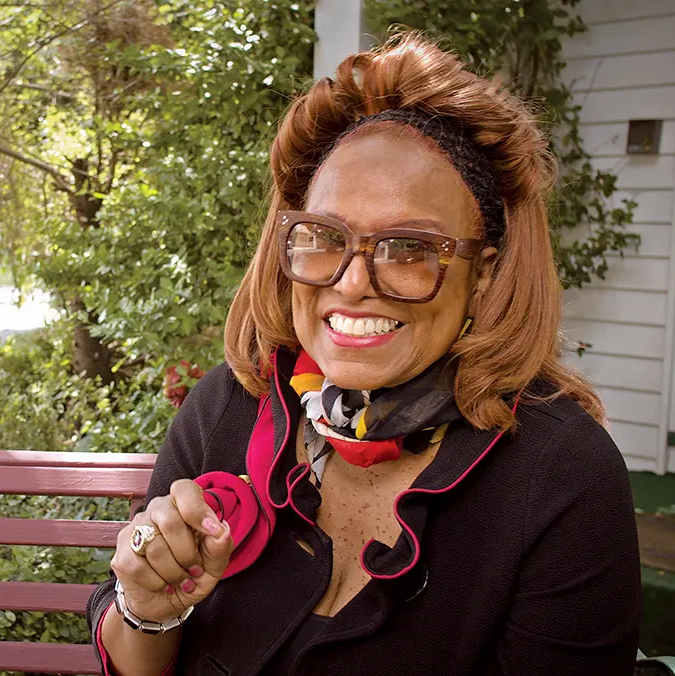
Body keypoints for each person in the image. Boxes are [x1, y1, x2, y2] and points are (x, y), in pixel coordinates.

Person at [86, 33, 642, 675]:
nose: (351, 282)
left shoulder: (559, 476)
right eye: (323, 238)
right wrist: (147, 611)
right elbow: (133, 658)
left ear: (483, 273)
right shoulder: (227, 410)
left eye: (409, 249)